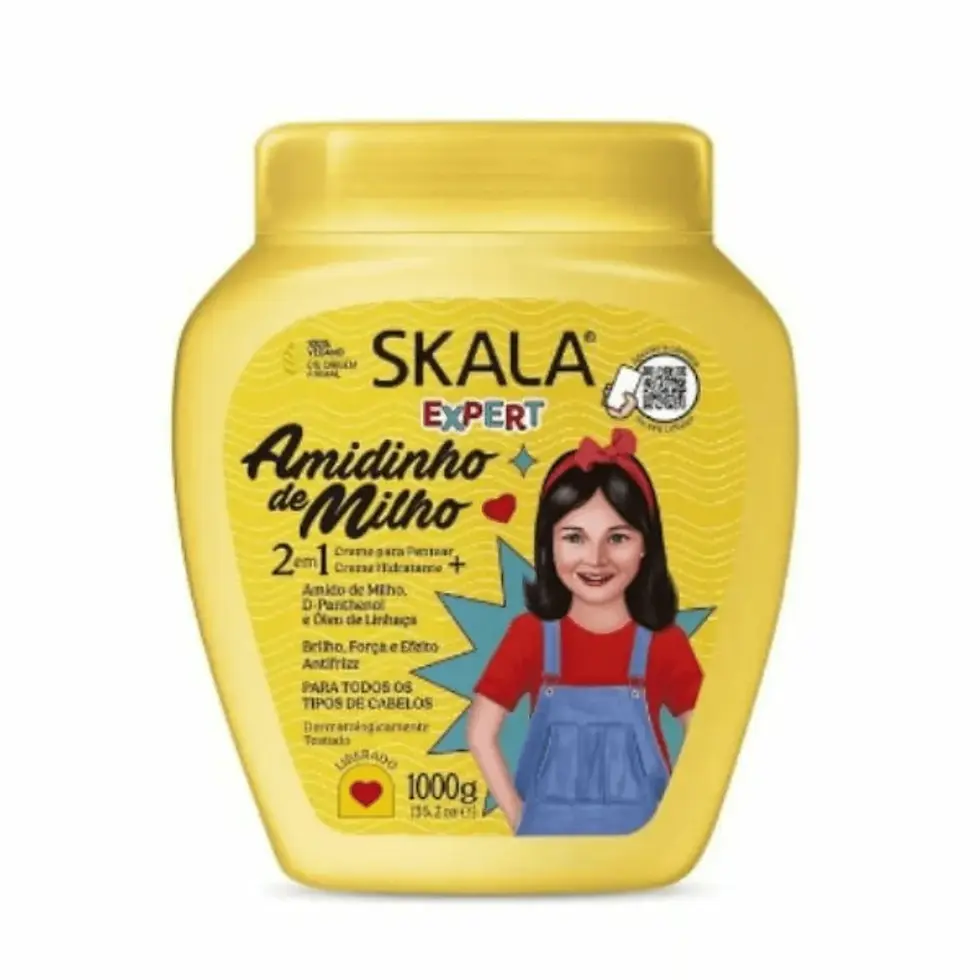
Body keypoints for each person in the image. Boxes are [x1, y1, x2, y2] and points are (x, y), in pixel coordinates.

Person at [467, 428, 702, 836]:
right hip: (545, 851)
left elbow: (707, 740)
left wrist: (673, 825)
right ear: (549, 545)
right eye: (575, 537)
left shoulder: (666, 643)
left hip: (640, 849)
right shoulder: (529, 636)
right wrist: (519, 818)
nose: (596, 558)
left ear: (646, 545)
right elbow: (480, 733)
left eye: (618, 537)